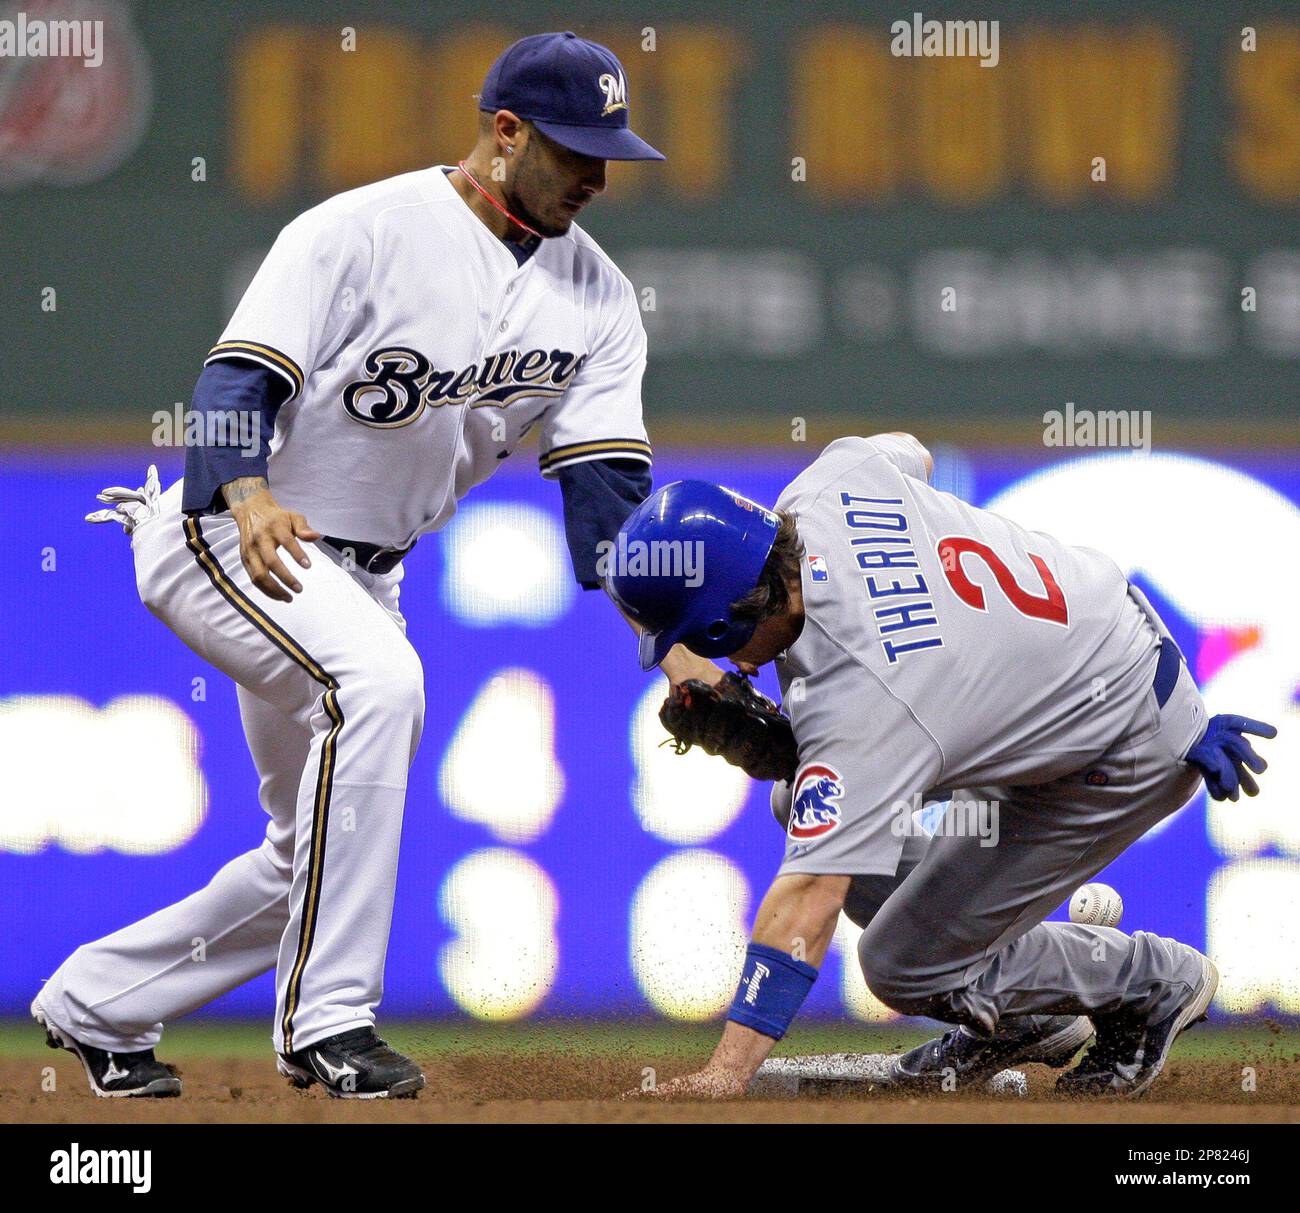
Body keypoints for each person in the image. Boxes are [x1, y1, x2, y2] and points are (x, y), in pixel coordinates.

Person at [35, 32, 719, 1101]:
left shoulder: (598, 302)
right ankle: (329, 1022)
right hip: (229, 535)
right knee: (383, 685)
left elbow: (607, 502)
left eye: (609, 153)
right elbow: (232, 383)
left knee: (308, 847)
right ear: (504, 134)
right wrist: (247, 492)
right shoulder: (359, 232)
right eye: (574, 149)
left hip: (361, 577)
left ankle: (97, 1001)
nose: (595, 176)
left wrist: (669, 645)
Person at [606, 433, 1274, 1098]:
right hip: (1090, 653)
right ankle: (1028, 1015)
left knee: (901, 964)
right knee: (798, 797)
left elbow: (810, 895)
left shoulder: (862, 702)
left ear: (723, 626)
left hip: (1118, 746)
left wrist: (726, 1072)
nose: (711, 659)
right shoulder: (831, 483)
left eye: (698, 639)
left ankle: (1152, 982)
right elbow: (912, 451)